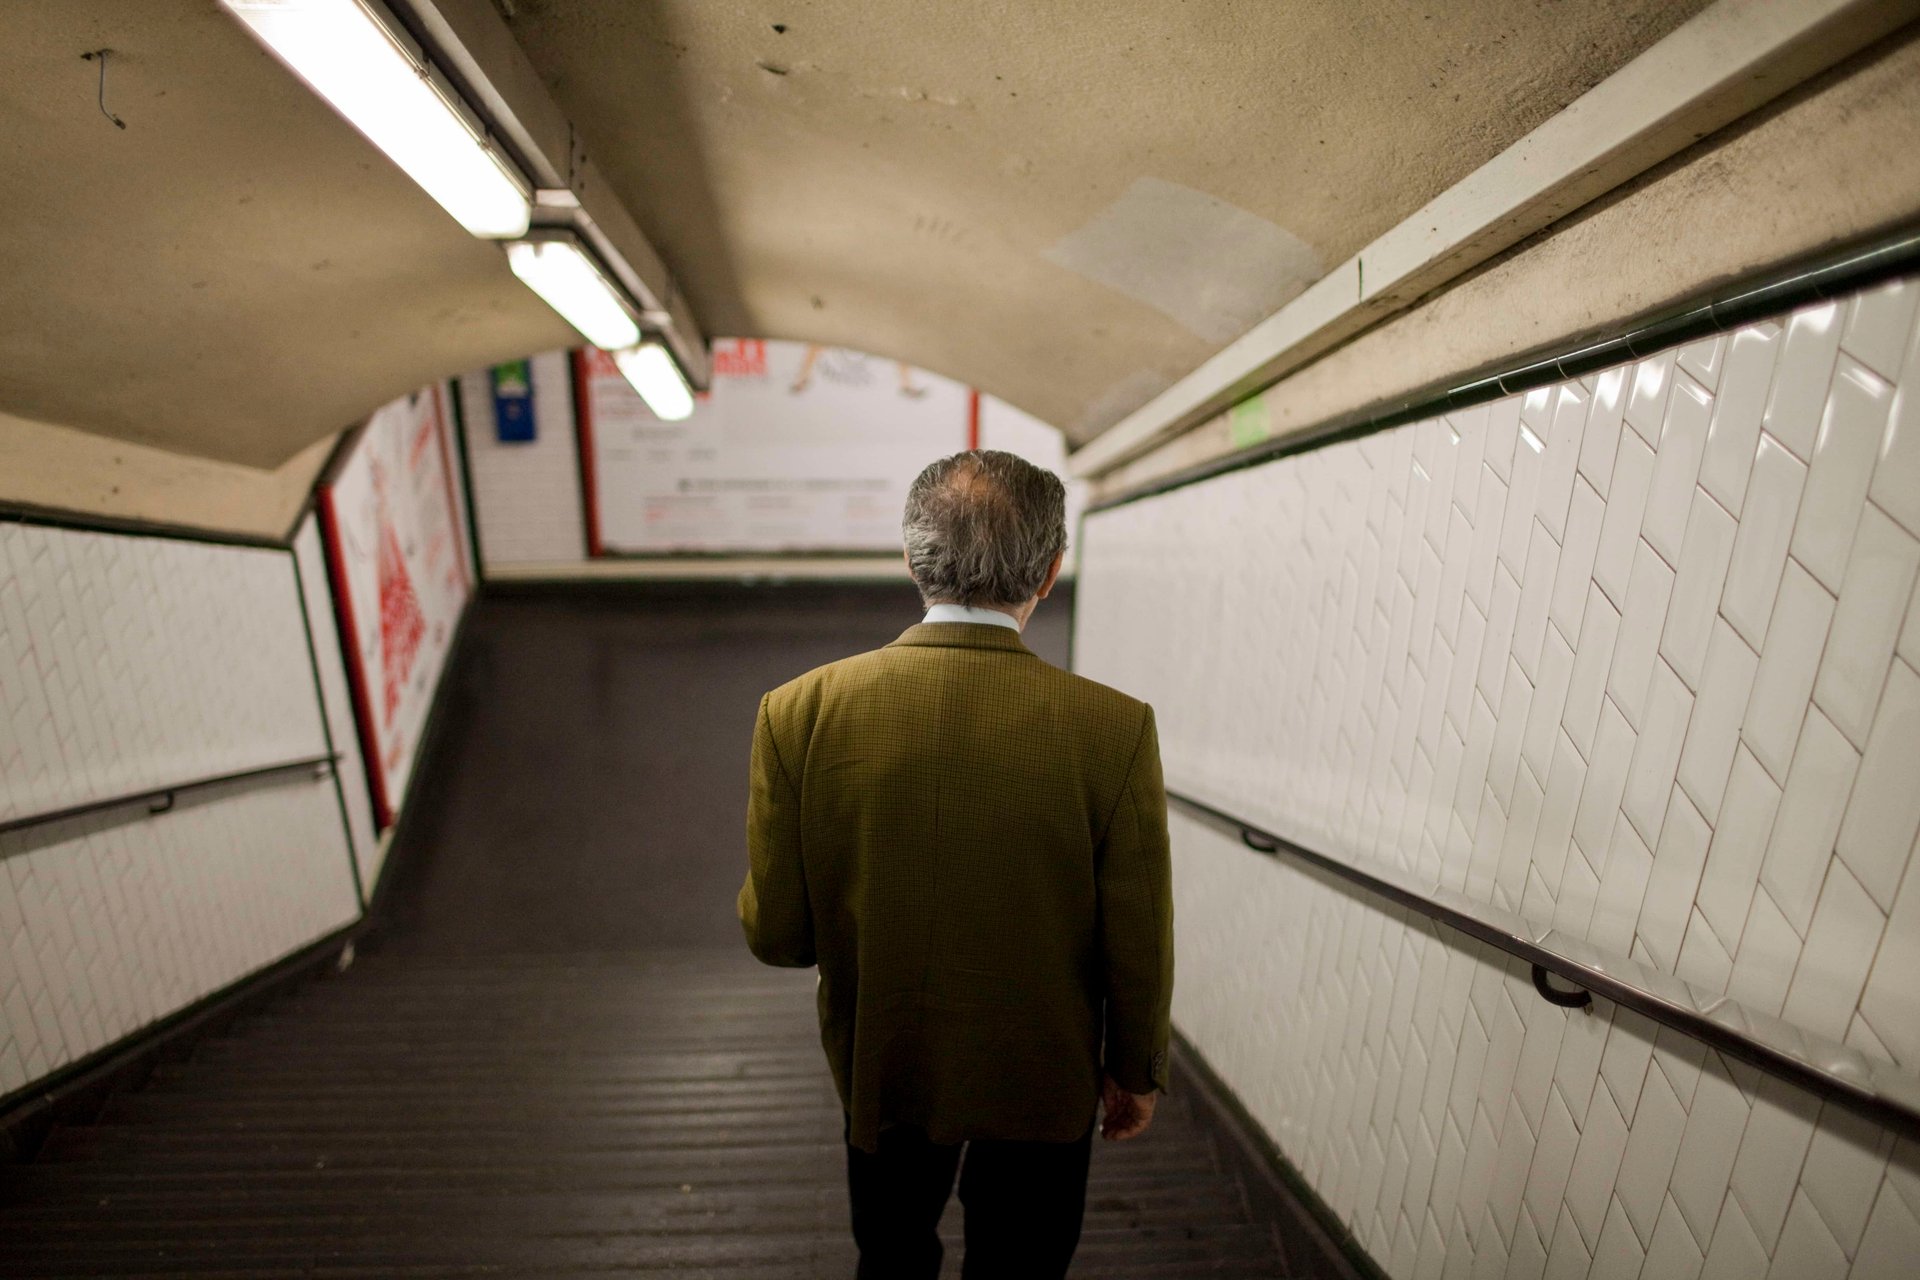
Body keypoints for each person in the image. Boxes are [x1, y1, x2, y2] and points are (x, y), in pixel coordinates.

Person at [738, 449, 1174, 1278]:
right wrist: (1134, 1069)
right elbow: (1140, 936)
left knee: (893, 1252)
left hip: (886, 1063)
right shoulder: (1113, 730)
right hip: (1045, 1075)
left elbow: (780, 936)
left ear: (911, 560)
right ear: (1050, 573)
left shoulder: (799, 713)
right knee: (1022, 1262)